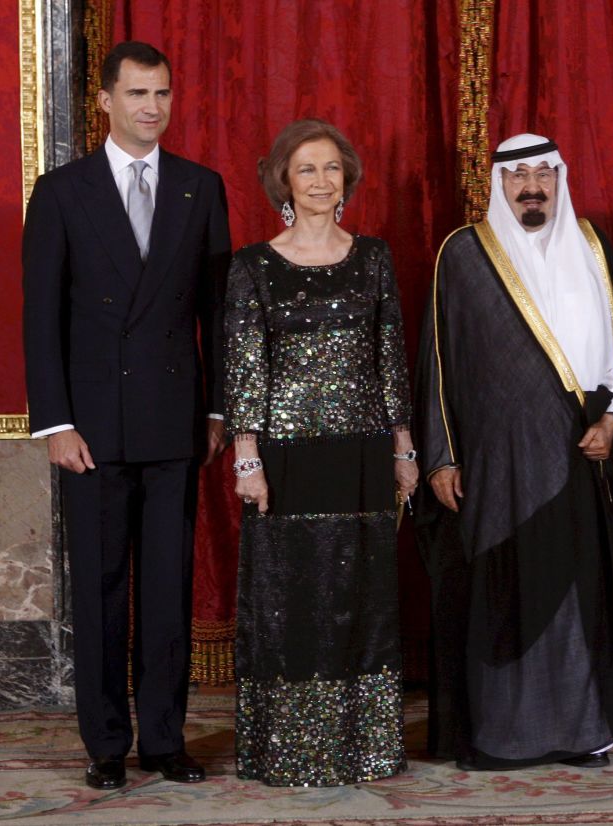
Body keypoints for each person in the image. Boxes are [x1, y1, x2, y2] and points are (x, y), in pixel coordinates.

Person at [21, 41, 230, 790]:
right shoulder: (62, 191)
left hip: (175, 422)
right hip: (92, 430)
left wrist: (215, 408)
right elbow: (40, 319)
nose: (153, 108)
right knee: (103, 590)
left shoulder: (200, 188)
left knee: (166, 590)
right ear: (104, 100)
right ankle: (106, 744)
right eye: (138, 93)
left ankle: (166, 740)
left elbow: (217, 312)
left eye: (164, 94)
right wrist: (55, 423)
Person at [415, 133, 613, 771]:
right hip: (493, 465)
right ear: (499, 184)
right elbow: (436, 362)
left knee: (574, 593)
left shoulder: (592, 247)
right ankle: (503, 736)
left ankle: (580, 731)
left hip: (577, 453)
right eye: (519, 176)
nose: (532, 186)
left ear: (560, 179)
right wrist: (441, 456)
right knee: (503, 589)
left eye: (544, 173)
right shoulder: (463, 254)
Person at [225, 119, 417, 786]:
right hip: (285, 454)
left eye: (331, 168)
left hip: (362, 451)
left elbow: (390, 356)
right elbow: (246, 368)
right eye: (306, 169)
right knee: (293, 593)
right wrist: (246, 456)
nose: (319, 181)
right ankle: (292, 750)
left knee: (359, 595)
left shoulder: (374, 258)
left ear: (347, 180)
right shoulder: (252, 264)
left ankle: (364, 748)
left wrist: (404, 445)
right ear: (283, 179)